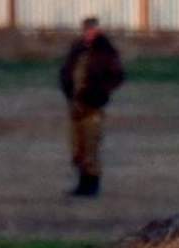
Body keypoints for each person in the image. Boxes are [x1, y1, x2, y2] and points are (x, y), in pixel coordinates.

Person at [59, 18, 125, 197]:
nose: (88, 32)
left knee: (91, 146)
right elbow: (66, 72)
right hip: (76, 106)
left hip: (93, 106)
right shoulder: (77, 48)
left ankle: (92, 185)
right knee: (77, 147)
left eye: (92, 29)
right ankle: (82, 184)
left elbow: (118, 76)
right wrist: (68, 91)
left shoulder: (105, 50)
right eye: (86, 29)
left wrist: (100, 92)